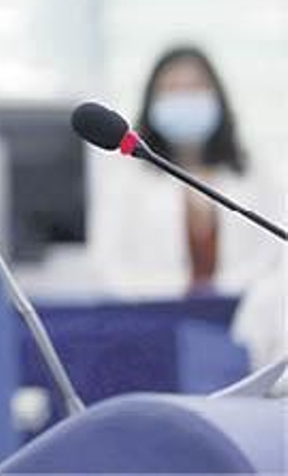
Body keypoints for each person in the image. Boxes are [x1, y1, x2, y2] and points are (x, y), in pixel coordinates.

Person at [87, 46, 283, 361]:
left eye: (195, 88)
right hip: (152, 332)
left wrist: (226, 292)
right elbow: (107, 266)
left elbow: (274, 257)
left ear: (217, 94)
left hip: (245, 328)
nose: (185, 98)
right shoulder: (127, 175)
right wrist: (179, 295)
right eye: (173, 89)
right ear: (152, 100)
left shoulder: (253, 169)